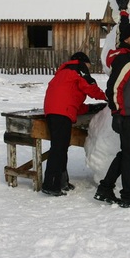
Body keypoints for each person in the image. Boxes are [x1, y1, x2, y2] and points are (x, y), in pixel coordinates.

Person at [94, 0, 130, 208]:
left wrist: (124, 12)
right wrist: (117, 113)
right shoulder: (125, 59)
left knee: (126, 153)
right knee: (129, 157)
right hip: (128, 114)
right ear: (127, 39)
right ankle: (128, 194)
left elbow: (121, 34)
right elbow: (113, 88)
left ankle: (105, 188)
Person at [42, 52, 107, 196]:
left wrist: (90, 108)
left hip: (53, 111)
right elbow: (90, 88)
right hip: (61, 113)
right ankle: (50, 185)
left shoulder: (64, 73)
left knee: (60, 147)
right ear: (85, 62)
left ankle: (61, 182)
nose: (89, 68)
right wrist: (108, 97)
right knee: (58, 149)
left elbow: (71, 99)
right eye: (89, 65)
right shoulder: (79, 69)